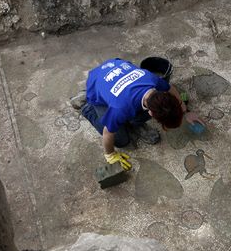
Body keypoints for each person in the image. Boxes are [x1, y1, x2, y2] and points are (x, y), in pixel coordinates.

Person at [72, 58, 204, 171]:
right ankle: (87, 107)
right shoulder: (121, 108)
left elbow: (171, 89)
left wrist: (184, 110)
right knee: (122, 141)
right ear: (151, 112)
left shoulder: (154, 81)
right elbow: (108, 133)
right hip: (97, 82)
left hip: (116, 68)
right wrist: (110, 154)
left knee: (135, 116)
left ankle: (131, 122)